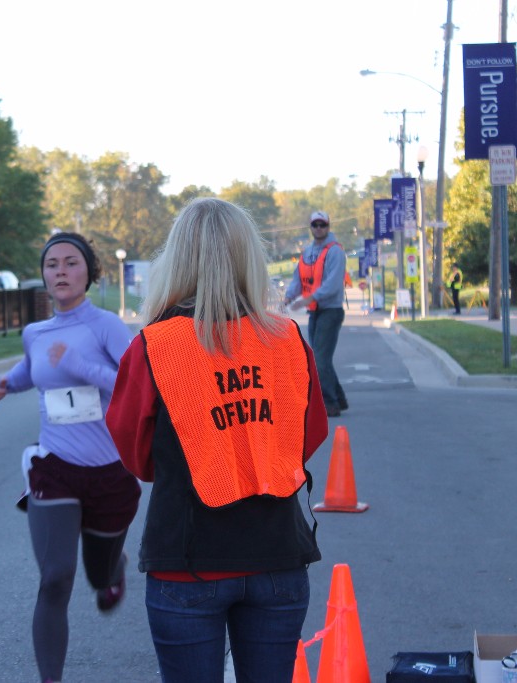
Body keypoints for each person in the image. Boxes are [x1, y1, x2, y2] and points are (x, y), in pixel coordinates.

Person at [106, 198, 329, 683]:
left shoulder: (153, 346)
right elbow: (307, 436)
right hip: (278, 555)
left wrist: (203, 457)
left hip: (187, 561)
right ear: (249, 257)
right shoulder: (288, 339)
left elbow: (135, 454)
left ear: (177, 259)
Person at [0, 232, 140, 683]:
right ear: (44, 276)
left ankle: (113, 567)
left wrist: (81, 365)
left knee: (97, 577)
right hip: (54, 469)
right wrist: (1, 385)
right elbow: (31, 369)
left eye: (71, 263)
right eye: (52, 265)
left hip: (110, 471)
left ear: (89, 272)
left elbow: (135, 387)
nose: (61, 272)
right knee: (55, 577)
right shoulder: (35, 332)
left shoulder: (106, 326)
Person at [284, 209, 348, 417]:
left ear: (328, 226)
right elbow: (297, 280)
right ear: (311, 228)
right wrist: (287, 298)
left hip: (331, 310)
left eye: (323, 225)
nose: (319, 228)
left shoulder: (335, 251)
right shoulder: (307, 253)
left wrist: (309, 299)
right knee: (321, 358)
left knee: (320, 359)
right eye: (315, 225)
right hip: (314, 312)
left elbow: (333, 284)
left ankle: (330, 403)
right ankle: (339, 398)